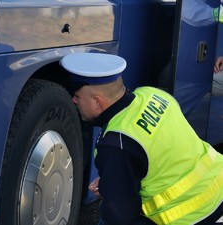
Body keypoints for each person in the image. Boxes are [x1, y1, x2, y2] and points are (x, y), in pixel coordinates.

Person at [60, 52, 223, 225]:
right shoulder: (152, 94)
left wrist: (113, 187)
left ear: (97, 102)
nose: (74, 100)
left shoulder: (117, 142)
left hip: (195, 215)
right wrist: (116, 177)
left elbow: (120, 216)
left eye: (78, 96)